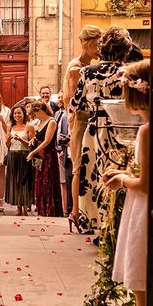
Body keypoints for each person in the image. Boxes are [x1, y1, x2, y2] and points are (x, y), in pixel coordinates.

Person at [103, 59, 150, 306]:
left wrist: (121, 180)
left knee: (140, 286)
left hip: (142, 209)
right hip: (146, 207)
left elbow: (143, 183)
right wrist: (125, 171)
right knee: (144, 284)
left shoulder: (146, 131)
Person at [70, 25, 132, 234]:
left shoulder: (87, 72)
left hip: (95, 130)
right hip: (120, 131)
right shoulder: (129, 73)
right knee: (117, 173)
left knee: (92, 176)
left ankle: (93, 222)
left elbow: (75, 105)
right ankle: (113, 223)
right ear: (125, 50)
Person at [63, 25, 103, 230]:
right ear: (86, 45)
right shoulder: (76, 68)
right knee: (79, 166)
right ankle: (75, 212)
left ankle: (83, 211)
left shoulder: (90, 67)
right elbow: (73, 101)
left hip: (88, 121)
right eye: (96, 45)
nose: (99, 49)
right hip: (80, 121)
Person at [27, 101, 63, 217]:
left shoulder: (51, 122)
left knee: (48, 181)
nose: (34, 115)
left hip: (48, 156)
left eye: (35, 113)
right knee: (39, 180)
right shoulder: (41, 121)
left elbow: (47, 141)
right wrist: (34, 140)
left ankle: (50, 209)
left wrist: (33, 152)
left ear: (40, 111)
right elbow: (39, 137)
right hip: (40, 156)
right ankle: (42, 208)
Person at [4, 105, 35, 215]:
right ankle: (18, 207)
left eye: (19, 113)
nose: (17, 115)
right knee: (15, 181)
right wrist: (8, 139)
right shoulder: (10, 126)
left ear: (24, 114)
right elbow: (7, 145)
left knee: (24, 181)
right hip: (12, 155)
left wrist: (21, 139)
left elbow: (32, 145)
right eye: (15, 113)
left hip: (24, 155)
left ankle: (26, 207)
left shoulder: (29, 126)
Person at [54, 92, 71, 215]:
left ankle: (68, 209)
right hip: (60, 151)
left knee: (66, 181)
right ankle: (65, 209)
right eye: (59, 97)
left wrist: (62, 148)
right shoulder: (58, 114)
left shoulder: (67, 116)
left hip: (66, 151)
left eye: (62, 97)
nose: (60, 100)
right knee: (63, 182)